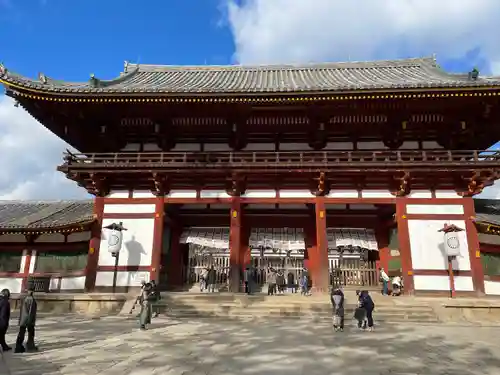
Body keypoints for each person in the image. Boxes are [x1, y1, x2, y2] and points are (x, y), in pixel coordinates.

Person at [15, 287, 38, 353]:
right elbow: (31, 312)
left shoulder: (24, 299)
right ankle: (30, 346)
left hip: (23, 319)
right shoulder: (31, 300)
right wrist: (31, 322)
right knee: (31, 333)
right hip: (28, 320)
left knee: (21, 333)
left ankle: (18, 347)